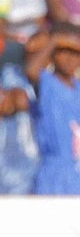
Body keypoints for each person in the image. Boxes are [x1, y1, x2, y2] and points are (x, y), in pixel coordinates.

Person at [25, 21, 80, 194]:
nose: (71, 58)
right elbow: (31, 71)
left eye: (76, 53)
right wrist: (55, 40)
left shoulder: (78, 87)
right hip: (52, 171)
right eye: (64, 51)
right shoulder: (47, 82)